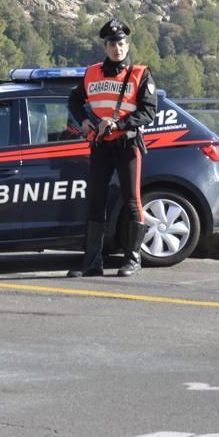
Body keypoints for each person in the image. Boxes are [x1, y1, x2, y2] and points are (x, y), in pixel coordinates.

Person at [66, 19, 156, 278]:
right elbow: (74, 99)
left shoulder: (141, 73)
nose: (119, 48)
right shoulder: (92, 72)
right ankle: (93, 262)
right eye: (113, 44)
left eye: (122, 43)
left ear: (127, 45)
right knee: (96, 201)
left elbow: (149, 111)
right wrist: (85, 121)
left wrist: (118, 123)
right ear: (105, 46)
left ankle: (133, 258)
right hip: (100, 145)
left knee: (131, 200)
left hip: (127, 143)